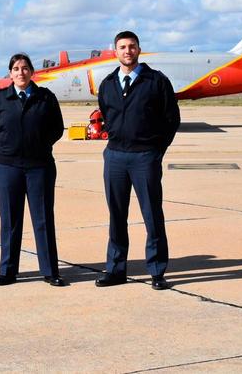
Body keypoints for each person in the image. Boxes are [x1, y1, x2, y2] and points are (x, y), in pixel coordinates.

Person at [95, 31, 180, 290]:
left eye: (132, 46)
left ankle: (156, 271)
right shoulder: (108, 83)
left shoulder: (156, 81)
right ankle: (116, 269)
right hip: (116, 157)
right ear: (115, 51)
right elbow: (106, 115)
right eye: (122, 47)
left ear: (139, 49)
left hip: (145, 157)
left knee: (152, 214)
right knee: (116, 216)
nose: (127, 51)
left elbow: (171, 119)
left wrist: (156, 150)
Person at [0, 53, 66, 287]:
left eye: (25, 68)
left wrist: (38, 145)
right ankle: (8, 270)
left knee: (43, 218)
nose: (21, 72)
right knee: (10, 220)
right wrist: (9, 145)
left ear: (32, 72)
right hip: (7, 167)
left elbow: (57, 129)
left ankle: (50, 271)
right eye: (16, 68)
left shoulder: (45, 98)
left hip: (39, 167)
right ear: (10, 73)